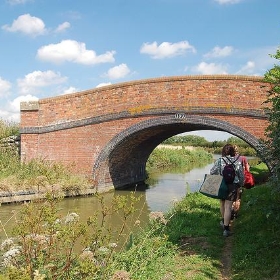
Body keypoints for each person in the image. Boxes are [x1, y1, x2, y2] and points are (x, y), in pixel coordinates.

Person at [210, 144, 245, 237]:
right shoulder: (237, 161)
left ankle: (223, 221)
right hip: (232, 186)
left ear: (223, 151)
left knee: (222, 203)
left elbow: (212, 172)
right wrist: (240, 184)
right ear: (233, 151)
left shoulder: (219, 160)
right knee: (228, 207)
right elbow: (241, 176)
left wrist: (219, 176)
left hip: (222, 185)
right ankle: (226, 229)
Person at [231, 145, 250, 219]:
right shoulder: (243, 158)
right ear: (238, 150)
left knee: (231, 197)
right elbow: (247, 169)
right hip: (240, 180)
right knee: (238, 197)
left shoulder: (228, 158)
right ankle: (235, 213)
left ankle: (231, 212)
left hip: (230, 180)